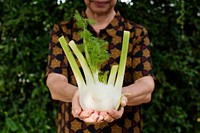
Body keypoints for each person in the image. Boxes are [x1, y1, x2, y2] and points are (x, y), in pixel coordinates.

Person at [46, 0, 155, 132]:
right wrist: (78, 94)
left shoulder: (135, 33)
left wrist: (119, 96)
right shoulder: (63, 31)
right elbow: (54, 83)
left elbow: (146, 85)